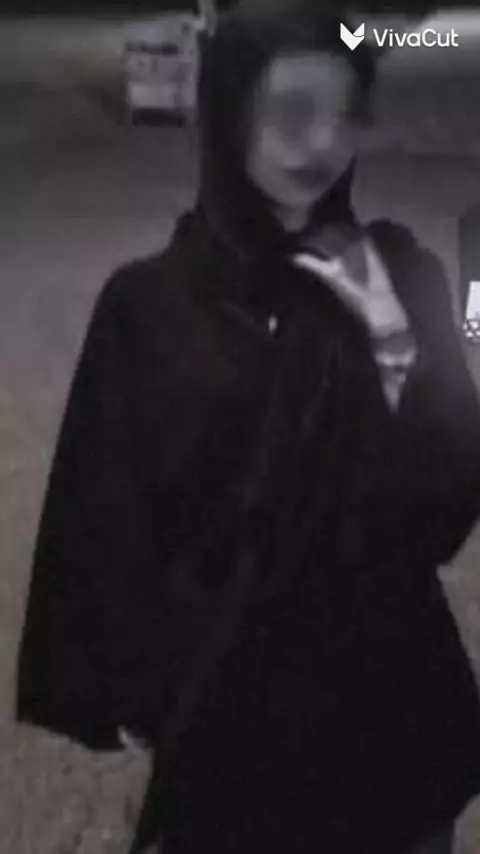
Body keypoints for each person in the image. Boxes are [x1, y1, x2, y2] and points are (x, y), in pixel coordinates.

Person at [15, 2, 480, 853]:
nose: (321, 143)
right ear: (230, 113)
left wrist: (388, 334)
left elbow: (447, 504)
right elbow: (103, 518)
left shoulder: (403, 276)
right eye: (292, 112)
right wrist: (138, 697)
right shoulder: (150, 306)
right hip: (232, 732)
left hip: (391, 726)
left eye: (343, 113)